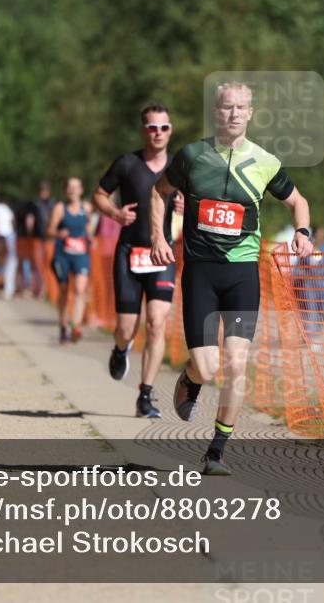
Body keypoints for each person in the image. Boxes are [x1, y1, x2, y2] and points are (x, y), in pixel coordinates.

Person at [151, 81, 313, 475]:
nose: (234, 114)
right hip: (201, 274)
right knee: (207, 367)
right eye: (227, 107)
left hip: (241, 276)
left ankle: (217, 451)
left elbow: (297, 201)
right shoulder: (192, 156)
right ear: (216, 112)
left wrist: (302, 232)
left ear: (251, 114)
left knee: (237, 363)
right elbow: (159, 191)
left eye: (241, 107)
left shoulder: (264, 162)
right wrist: (158, 235)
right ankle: (191, 379)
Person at [93, 102, 182, 420]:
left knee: (157, 323)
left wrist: (187, 206)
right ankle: (120, 349)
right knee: (125, 328)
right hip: (130, 252)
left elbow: (194, 204)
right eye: (152, 127)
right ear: (143, 130)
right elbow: (99, 195)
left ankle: (145, 395)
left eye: (164, 127)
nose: (158, 133)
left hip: (163, 255)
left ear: (170, 131)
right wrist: (115, 213)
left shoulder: (178, 167)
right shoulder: (127, 163)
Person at [47, 177, 96, 343]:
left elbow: (88, 227)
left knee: (80, 289)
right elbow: (50, 230)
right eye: (69, 187)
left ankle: (76, 326)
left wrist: (90, 237)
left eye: (76, 187)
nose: (73, 190)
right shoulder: (60, 208)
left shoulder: (87, 207)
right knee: (63, 289)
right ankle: (63, 324)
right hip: (63, 254)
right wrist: (58, 234)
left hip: (81, 253)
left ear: (81, 190)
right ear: (65, 190)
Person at [0, 196, 17, 299]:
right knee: (9, 261)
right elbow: (12, 221)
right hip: (8, 234)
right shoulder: (6, 209)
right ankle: (5, 286)